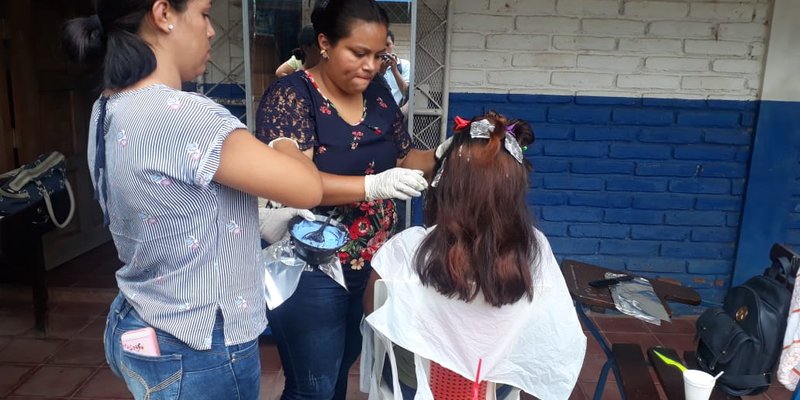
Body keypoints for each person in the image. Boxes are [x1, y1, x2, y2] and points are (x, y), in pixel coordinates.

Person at [62, 1, 323, 399]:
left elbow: (169, 201)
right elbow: (308, 188)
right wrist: (284, 141)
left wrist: (247, 218)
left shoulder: (108, 106)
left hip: (138, 318)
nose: (212, 29)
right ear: (163, 13)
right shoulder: (184, 115)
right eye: (203, 13)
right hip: (199, 347)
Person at [254, 0, 443, 398]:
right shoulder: (291, 97)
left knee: (343, 364)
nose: (371, 66)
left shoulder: (378, 97)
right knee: (314, 385)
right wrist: (372, 186)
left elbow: (406, 158)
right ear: (324, 43)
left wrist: (445, 153)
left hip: (372, 260)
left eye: (379, 55)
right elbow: (295, 181)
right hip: (311, 266)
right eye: (359, 53)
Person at [362, 112, 587, 399]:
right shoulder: (536, 249)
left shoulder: (406, 248)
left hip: (414, 384)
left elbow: (373, 310)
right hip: (494, 384)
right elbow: (553, 328)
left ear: (446, 183)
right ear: (515, 189)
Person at [380, 29, 410, 107]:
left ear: (393, 45)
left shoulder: (404, 65)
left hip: (398, 110)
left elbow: (406, 93)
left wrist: (395, 69)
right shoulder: (371, 66)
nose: (384, 49)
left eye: (388, 44)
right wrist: (381, 72)